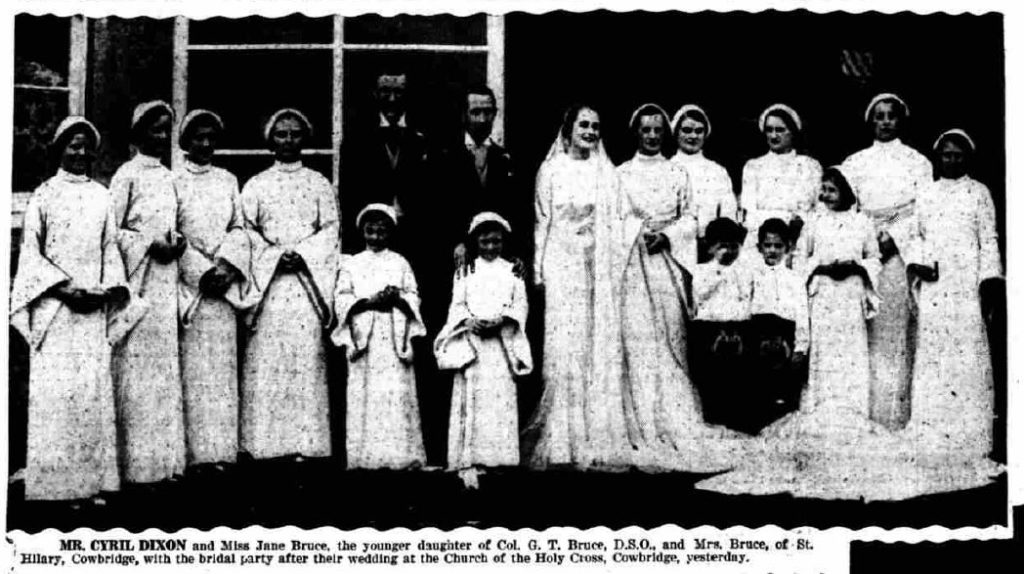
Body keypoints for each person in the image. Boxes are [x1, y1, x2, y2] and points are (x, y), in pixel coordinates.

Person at [697, 167, 900, 500]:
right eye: (823, 190)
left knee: (850, 355)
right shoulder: (814, 223)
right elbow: (801, 260)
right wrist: (822, 265)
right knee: (823, 355)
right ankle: (821, 412)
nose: (825, 195)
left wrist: (856, 267)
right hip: (822, 293)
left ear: (846, 191)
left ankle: (851, 416)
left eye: (831, 190)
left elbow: (874, 258)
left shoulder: (862, 222)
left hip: (849, 292)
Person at [615, 103, 743, 470]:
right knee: (637, 336)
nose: (653, 136)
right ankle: (640, 420)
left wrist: (668, 236)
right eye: (646, 130)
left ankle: (673, 417)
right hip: (633, 262)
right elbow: (616, 218)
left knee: (669, 335)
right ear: (636, 133)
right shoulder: (621, 173)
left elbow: (690, 216)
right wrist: (638, 233)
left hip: (667, 261)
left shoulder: (677, 172)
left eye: (658, 130)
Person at [10, 117, 130, 503]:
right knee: (57, 397)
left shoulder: (101, 195)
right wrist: (64, 289)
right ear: (59, 148)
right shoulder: (44, 195)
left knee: (89, 393)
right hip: (57, 310)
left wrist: (106, 289)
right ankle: (55, 487)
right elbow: (32, 255)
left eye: (85, 146)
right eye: (72, 145)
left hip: (92, 307)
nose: (80, 153)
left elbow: (110, 247)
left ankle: (92, 483)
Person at [523, 103, 634, 470]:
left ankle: (595, 435)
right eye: (583, 125)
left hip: (597, 266)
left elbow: (621, 220)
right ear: (568, 129)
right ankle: (562, 440)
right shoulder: (551, 169)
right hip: (561, 263)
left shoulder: (607, 172)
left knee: (594, 344)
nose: (590, 132)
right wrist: (539, 272)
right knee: (564, 346)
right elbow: (543, 221)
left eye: (596, 126)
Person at [897, 128, 1003, 496]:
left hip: (966, 284)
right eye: (946, 155)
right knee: (934, 358)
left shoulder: (979, 193)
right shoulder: (926, 192)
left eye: (958, 155)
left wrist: (989, 281)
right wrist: (919, 264)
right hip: (936, 284)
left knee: (966, 359)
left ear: (967, 158)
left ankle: (968, 438)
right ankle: (932, 435)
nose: (952, 161)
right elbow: (915, 236)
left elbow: (988, 238)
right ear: (938, 156)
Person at [240, 108, 339, 461]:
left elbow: (330, 229)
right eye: (281, 134)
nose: (288, 141)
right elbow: (246, 230)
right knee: (268, 360)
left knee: (305, 358)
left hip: (304, 285)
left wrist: (302, 254)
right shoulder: (256, 185)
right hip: (270, 286)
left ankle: (307, 444)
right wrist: (273, 256)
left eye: (295, 134)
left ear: (305, 139)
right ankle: (265, 444)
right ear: (270, 139)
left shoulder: (318, 183)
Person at [840, 93, 932, 430]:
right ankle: (859, 413)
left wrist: (894, 239)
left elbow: (922, 209)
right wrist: (866, 241)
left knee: (892, 331)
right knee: (861, 330)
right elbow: (846, 208)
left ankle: (892, 416)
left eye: (891, 115)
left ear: (901, 119)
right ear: (870, 121)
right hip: (866, 253)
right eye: (878, 116)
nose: (885, 121)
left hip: (897, 253)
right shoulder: (854, 162)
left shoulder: (918, 162)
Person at [110, 100, 188, 485]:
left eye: (165, 130)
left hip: (166, 281)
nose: (161, 136)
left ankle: (164, 464)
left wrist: (177, 244)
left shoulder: (171, 177)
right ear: (139, 132)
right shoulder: (127, 175)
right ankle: (137, 467)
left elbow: (178, 224)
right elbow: (113, 233)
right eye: (154, 129)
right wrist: (146, 244)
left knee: (163, 369)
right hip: (139, 282)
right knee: (137, 370)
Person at [174, 109, 250, 470]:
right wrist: (201, 270)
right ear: (185, 141)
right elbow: (172, 231)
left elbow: (239, 228)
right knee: (193, 370)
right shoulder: (173, 180)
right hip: (192, 289)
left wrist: (225, 266)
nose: (204, 144)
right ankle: (194, 454)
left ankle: (220, 451)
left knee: (220, 369)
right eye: (197, 137)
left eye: (211, 138)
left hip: (222, 286)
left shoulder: (228, 179)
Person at [434, 212, 532, 487]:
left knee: (499, 401)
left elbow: (520, 304)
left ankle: (501, 460)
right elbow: (457, 305)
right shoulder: (466, 270)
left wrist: (503, 320)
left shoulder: (512, 270)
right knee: (474, 401)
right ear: (475, 241)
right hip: (474, 345)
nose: (490, 247)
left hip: (500, 345)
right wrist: (468, 321)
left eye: (496, 241)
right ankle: (472, 459)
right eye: (485, 241)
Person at [331, 204, 427, 470]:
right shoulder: (352, 263)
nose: (375, 237)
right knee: (366, 393)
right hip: (366, 336)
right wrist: (367, 301)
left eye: (381, 232)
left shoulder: (399, 262)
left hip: (392, 334)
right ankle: (365, 457)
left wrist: (397, 298)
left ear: (390, 233)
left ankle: (399, 456)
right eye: (370, 231)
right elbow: (342, 297)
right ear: (362, 231)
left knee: (394, 393)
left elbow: (413, 294)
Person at [439, 86, 529, 271]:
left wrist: (515, 252)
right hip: (457, 258)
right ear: (464, 114)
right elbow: (438, 209)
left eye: (488, 112)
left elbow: (516, 211)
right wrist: (455, 243)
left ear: (495, 114)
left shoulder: (506, 160)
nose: (482, 119)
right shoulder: (445, 157)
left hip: (496, 256)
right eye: (476, 112)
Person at [689, 217, 752, 430]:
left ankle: (735, 417)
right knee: (711, 375)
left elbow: (746, 298)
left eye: (734, 246)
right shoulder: (702, 270)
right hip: (710, 325)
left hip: (736, 324)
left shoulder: (743, 270)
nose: (729, 251)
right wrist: (719, 274)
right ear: (710, 248)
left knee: (736, 375)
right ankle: (712, 416)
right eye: (722, 246)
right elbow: (700, 296)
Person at [748, 218, 810, 428]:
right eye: (767, 245)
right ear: (759, 247)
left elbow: (802, 312)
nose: (772, 251)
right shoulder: (753, 276)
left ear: (788, 247)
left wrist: (801, 346)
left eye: (778, 246)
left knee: (784, 387)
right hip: (759, 331)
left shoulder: (795, 279)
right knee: (760, 384)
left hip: (786, 333)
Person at [739, 103, 822, 256]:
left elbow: (818, 208)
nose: (774, 135)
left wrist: (797, 225)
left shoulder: (810, 166)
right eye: (769, 130)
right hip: (762, 238)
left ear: (793, 132)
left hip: (800, 238)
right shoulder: (753, 166)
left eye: (780, 130)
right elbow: (748, 210)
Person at [670, 104, 738, 262]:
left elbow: (728, 216)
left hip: (712, 253)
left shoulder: (717, 172)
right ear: (676, 132)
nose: (693, 136)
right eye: (686, 130)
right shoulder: (667, 169)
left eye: (699, 131)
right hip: (676, 250)